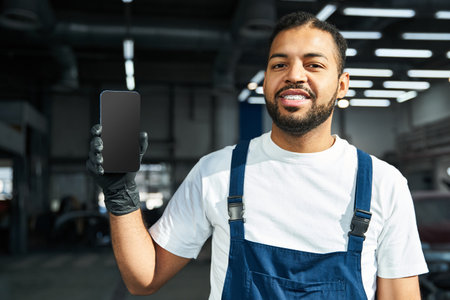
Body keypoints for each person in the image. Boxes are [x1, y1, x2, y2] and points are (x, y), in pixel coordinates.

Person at [87, 11, 428, 299]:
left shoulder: (383, 184)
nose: (294, 75)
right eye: (280, 64)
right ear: (265, 81)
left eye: (314, 64)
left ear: (341, 85)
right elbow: (143, 277)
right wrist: (120, 196)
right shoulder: (218, 172)